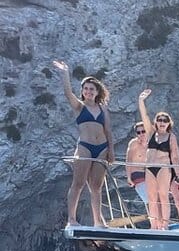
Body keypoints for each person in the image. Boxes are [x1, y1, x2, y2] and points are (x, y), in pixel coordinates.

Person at [53, 60, 115, 227]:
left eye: (91, 89)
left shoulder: (102, 108)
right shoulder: (79, 107)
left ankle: (98, 221)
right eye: (85, 88)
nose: (88, 91)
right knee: (78, 183)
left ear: (97, 92)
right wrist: (65, 73)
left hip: (102, 148)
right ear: (82, 91)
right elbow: (68, 93)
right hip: (85, 147)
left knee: (96, 186)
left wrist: (111, 150)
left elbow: (108, 130)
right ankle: (72, 219)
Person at [138, 89, 179, 230]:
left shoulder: (171, 137)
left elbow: (175, 157)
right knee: (151, 198)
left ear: (169, 123)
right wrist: (141, 100)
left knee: (163, 196)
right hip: (150, 167)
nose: (162, 122)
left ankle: (164, 224)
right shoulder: (151, 132)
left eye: (165, 120)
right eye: (159, 120)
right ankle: (154, 225)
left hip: (164, 167)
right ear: (156, 122)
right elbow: (144, 116)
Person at [125, 122, 148, 208]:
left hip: (149, 174)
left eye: (143, 131)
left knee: (157, 198)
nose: (141, 134)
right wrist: (128, 177)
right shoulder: (134, 143)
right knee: (149, 200)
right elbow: (128, 160)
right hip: (137, 173)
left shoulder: (151, 144)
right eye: (139, 132)